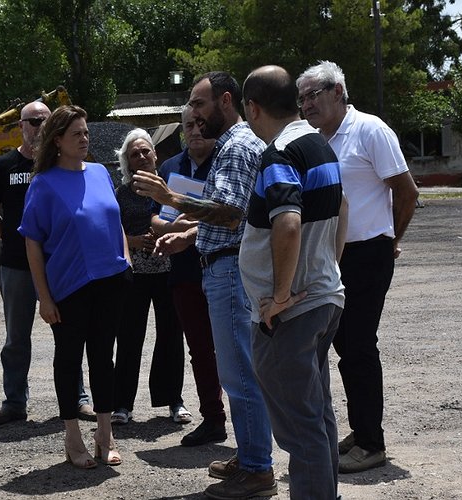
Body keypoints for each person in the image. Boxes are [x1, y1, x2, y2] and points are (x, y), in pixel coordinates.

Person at [133, 72, 275, 496]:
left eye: (198, 103)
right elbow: (237, 214)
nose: (192, 113)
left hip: (230, 270)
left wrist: (171, 199)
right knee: (239, 371)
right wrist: (190, 233)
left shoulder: (233, 146)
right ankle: (252, 454)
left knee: (239, 374)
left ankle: (257, 468)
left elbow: (229, 213)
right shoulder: (243, 141)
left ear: (225, 101)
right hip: (230, 264)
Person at [297, 60, 419, 473]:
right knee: (344, 346)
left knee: (360, 347)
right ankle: (361, 429)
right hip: (334, 256)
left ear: (337, 92)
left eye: (313, 94)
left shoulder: (370, 130)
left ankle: (372, 443)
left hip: (368, 254)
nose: (306, 104)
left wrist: (391, 241)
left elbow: (406, 192)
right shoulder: (316, 140)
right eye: (301, 98)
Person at [238, 64, 347, 499]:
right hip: (322, 299)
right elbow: (344, 210)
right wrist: (327, 269)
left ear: (252, 107)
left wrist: (279, 297)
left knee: (301, 431)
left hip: (291, 313)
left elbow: (286, 223)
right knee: (317, 418)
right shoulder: (319, 145)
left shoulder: (279, 153)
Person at [18, 105, 130, 469]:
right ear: (57, 141)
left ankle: (104, 432)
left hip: (110, 281)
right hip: (69, 287)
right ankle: (72, 435)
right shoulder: (44, 183)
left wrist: (125, 258)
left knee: (103, 358)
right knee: (69, 360)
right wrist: (43, 297)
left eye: (85, 132)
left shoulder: (99, 172)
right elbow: (32, 242)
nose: (85, 139)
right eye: (76, 134)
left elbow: (115, 220)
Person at [0, 102, 94, 425]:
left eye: (45, 120)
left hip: (59, 265)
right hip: (16, 266)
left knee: (69, 334)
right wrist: (10, 238)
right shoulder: (4, 166)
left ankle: (77, 399)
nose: (39, 126)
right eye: (32, 121)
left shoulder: (59, 167)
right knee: (16, 338)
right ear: (20, 126)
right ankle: (14, 402)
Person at [150, 105, 227, 446]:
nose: (195, 130)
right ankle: (213, 418)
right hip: (183, 274)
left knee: (233, 348)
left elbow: (228, 213)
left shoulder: (226, 161)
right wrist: (174, 226)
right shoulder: (169, 167)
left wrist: (184, 223)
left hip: (224, 267)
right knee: (199, 349)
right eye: (188, 125)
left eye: (200, 124)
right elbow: (154, 219)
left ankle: (250, 421)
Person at [111, 128, 189, 426]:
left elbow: (185, 219)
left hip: (169, 270)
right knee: (129, 337)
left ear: (156, 155)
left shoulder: (173, 187)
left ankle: (174, 401)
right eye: (135, 154)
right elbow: (110, 230)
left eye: (146, 151)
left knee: (171, 336)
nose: (142, 157)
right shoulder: (120, 194)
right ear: (127, 162)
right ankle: (122, 405)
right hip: (135, 274)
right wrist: (130, 241)